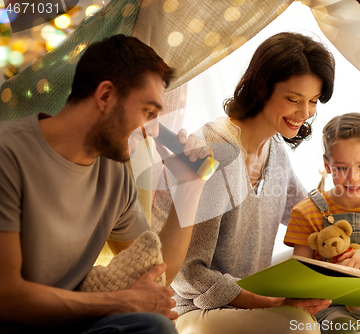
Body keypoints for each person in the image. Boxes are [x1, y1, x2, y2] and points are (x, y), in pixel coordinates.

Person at [0, 34, 208, 334]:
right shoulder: (8, 153)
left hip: (70, 325)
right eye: (147, 113)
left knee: (152, 324)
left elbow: (155, 276)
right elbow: (7, 297)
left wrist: (190, 188)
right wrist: (121, 302)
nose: (150, 131)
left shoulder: (115, 172)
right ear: (106, 96)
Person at [151, 32, 336, 334]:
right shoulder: (213, 152)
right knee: (299, 325)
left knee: (319, 261)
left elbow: (308, 216)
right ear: (262, 89)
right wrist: (273, 303)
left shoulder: (274, 150)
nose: (305, 114)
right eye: (293, 100)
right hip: (192, 311)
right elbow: (190, 275)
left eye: (313, 101)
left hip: (245, 298)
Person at [284, 112, 360, 333]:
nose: (352, 178)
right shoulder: (306, 212)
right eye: (341, 168)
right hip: (335, 312)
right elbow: (299, 288)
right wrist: (335, 275)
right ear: (327, 165)